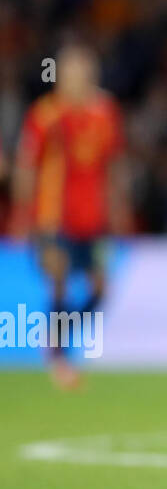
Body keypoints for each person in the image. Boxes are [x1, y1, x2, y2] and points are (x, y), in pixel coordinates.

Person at [11, 44, 127, 389]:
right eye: (73, 75)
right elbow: (27, 166)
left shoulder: (106, 112)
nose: (79, 82)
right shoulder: (45, 115)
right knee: (59, 278)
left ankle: (58, 335)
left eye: (85, 75)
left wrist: (119, 208)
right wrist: (21, 212)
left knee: (102, 288)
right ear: (60, 77)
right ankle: (59, 358)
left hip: (93, 220)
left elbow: (114, 163)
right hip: (53, 217)